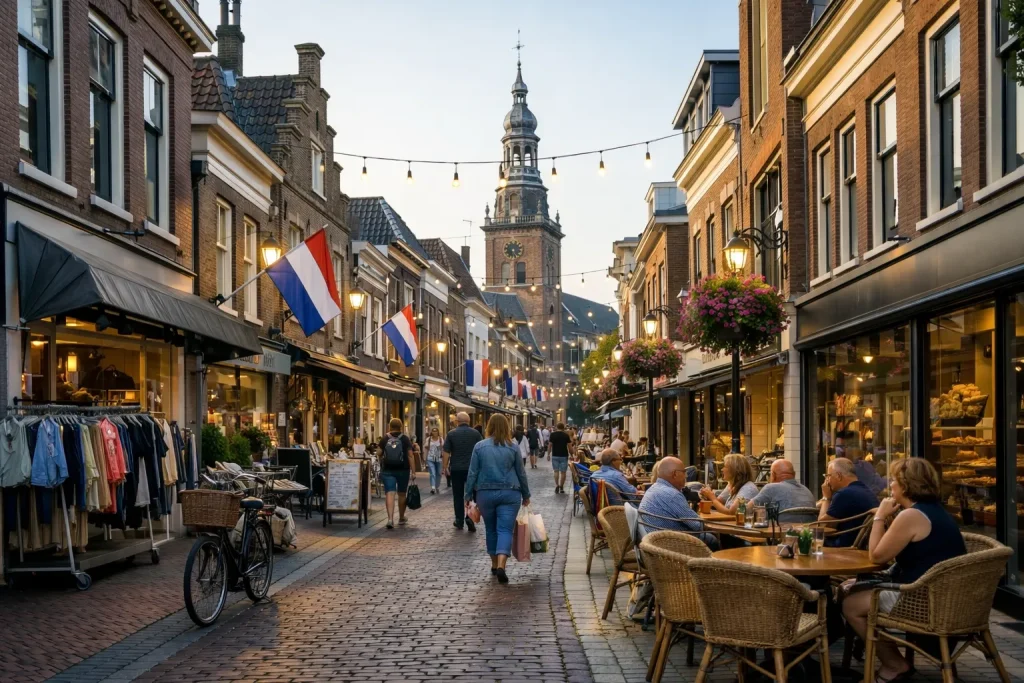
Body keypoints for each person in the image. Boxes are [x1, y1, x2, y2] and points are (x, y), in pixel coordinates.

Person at [841, 458, 966, 682]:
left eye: (894, 480)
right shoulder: (934, 511)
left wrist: (879, 516)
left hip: (921, 600)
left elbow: (877, 556)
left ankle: (895, 664)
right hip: (946, 597)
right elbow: (911, 555)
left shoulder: (911, 515)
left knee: (850, 604)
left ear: (906, 484)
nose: (890, 485)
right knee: (853, 589)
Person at [464, 414, 531, 584]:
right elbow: (521, 473)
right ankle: (502, 565)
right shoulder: (513, 447)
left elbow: (472, 472)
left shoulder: (479, 447)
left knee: (491, 529)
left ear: (489, 426)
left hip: (485, 493)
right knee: (505, 530)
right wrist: (526, 494)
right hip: (510, 493)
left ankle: (494, 565)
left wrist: (467, 494)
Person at [638, 457, 718, 549]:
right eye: (684, 472)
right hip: (672, 545)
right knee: (712, 538)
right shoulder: (672, 494)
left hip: (656, 543)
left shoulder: (654, 488)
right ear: (674, 474)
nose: (686, 476)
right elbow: (697, 525)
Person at [818, 457, 879, 546]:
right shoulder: (866, 491)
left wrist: (826, 498)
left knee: (805, 540)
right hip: (862, 545)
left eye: (828, 476)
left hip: (843, 547)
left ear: (838, 476)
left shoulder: (844, 494)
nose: (827, 481)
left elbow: (821, 528)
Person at [443, 412, 483, 531]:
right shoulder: (476, 434)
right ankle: (469, 517)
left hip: (456, 468)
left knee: (458, 495)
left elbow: (446, 452)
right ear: (469, 421)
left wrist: (445, 467)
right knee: (471, 493)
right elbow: (481, 450)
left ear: (457, 421)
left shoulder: (451, 434)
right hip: (472, 469)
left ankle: (459, 520)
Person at [377, 418, 416, 530]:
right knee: (402, 494)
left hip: (388, 470)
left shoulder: (385, 438)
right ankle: (401, 517)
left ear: (390, 426)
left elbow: (379, 452)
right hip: (403, 470)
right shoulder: (405, 439)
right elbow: (410, 455)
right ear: (401, 426)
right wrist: (413, 471)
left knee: (390, 493)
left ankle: (390, 519)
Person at [748, 459, 817, 521]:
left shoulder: (771, 488)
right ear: (794, 474)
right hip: (806, 533)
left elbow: (748, 509)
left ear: (773, 475)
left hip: (779, 533)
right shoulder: (807, 491)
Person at [549, 422, 573, 493]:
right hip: (564, 455)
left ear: (556, 427)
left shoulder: (552, 435)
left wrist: (548, 454)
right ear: (563, 428)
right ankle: (561, 486)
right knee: (563, 472)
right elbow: (569, 446)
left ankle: (556, 485)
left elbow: (550, 445)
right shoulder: (566, 435)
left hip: (555, 455)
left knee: (556, 471)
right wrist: (571, 454)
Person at [424, 426, 444, 495]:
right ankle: (432, 487)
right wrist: (425, 458)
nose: (434, 432)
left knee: (438, 473)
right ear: (431, 432)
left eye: (436, 431)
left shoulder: (441, 439)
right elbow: (426, 448)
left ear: (438, 432)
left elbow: (443, 450)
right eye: (433, 431)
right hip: (430, 458)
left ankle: (437, 486)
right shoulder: (428, 439)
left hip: (439, 459)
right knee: (433, 473)